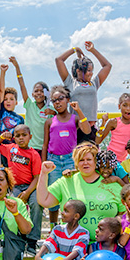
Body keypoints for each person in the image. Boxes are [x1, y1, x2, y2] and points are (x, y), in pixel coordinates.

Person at [37, 143, 125, 242]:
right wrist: (44, 173)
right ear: (76, 163)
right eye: (81, 160)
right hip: (70, 246)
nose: (85, 163)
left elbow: (124, 214)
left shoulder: (111, 183)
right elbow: (44, 200)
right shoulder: (66, 181)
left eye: (89, 160)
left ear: (95, 161)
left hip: (103, 247)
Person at [42, 86, 91, 229]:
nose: (57, 102)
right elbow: (45, 144)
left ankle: (69, 227)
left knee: (70, 194)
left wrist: (79, 110)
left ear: (67, 100)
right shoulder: (50, 122)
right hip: (54, 160)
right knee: (54, 194)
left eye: (60, 99)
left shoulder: (75, 118)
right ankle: (53, 227)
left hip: (70, 160)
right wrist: (45, 162)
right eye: (54, 100)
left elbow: (87, 130)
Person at [0, 125, 43, 254]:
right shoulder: (10, 149)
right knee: (12, 205)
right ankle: (17, 237)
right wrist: (1, 137)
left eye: (24, 135)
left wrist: (27, 193)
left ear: (30, 137)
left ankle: (32, 240)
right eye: (18, 135)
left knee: (37, 204)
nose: (21, 138)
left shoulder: (34, 154)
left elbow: (37, 177)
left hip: (30, 186)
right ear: (14, 137)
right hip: (14, 186)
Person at [55, 41, 112, 143]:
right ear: (78, 71)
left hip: (90, 128)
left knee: (91, 156)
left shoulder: (94, 83)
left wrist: (92, 50)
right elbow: (59, 60)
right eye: (88, 70)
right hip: (75, 128)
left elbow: (107, 66)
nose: (91, 73)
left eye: (92, 70)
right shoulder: (70, 82)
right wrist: (75, 49)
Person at [9, 56, 53, 151]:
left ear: (46, 93)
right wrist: (17, 67)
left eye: (42, 91)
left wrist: (54, 113)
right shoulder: (30, 105)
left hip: (45, 148)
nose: (39, 93)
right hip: (30, 147)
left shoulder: (51, 109)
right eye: (36, 91)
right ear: (32, 94)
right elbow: (22, 85)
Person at [96, 93, 130, 162]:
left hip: (123, 160)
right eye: (125, 105)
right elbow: (98, 141)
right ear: (119, 106)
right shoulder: (114, 122)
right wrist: (103, 124)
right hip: (110, 158)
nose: (128, 108)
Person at [0, 63, 24, 142]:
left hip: (10, 147)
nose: (8, 101)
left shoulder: (20, 119)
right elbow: (1, 90)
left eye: (11, 99)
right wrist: (3, 73)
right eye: (5, 99)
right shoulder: (1, 110)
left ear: (16, 102)